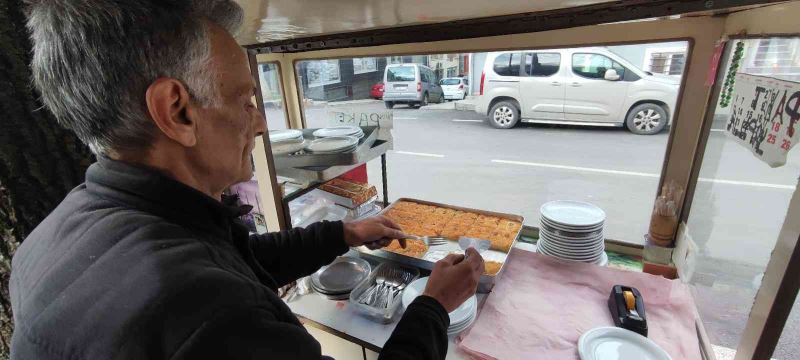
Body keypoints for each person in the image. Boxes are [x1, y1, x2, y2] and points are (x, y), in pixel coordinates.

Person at [10, 1, 485, 359]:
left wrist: (344, 233)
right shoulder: (213, 315)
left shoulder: (58, 233)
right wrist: (434, 305)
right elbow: (214, 288)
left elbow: (235, 259)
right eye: (246, 101)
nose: (260, 124)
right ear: (176, 111)